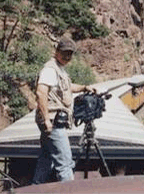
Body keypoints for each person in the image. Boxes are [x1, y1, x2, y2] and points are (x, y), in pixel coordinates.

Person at [32, 37, 96, 184]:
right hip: (54, 123)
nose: (67, 57)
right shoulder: (50, 69)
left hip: (54, 122)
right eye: (64, 53)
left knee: (46, 160)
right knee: (65, 164)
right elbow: (41, 92)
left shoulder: (58, 69)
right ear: (56, 51)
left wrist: (84, 87)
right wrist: (47, 120)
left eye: (70, 54)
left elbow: (67, 87)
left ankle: (35, 188)